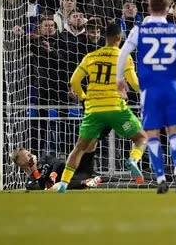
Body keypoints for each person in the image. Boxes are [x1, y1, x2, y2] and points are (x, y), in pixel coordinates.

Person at [116, 0, 176, 194]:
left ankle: (161, 178)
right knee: (174, 132)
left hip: (150, 88)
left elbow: (122, 55)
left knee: (152, 134)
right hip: (172, 86)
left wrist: (119, 79)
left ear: (148, 8)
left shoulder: (139, 30)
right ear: (168, 9)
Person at [56, 23, 147, 192]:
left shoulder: (91, 57)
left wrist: (83, 98)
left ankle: (63, 183)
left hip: (94, 110)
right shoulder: (124, 57)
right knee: (141, 138)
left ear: (104, 37)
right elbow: (134, 84)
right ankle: (133, 160)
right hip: (116, 109)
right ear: (119, 38)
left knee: (79, 148)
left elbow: (74, 82)